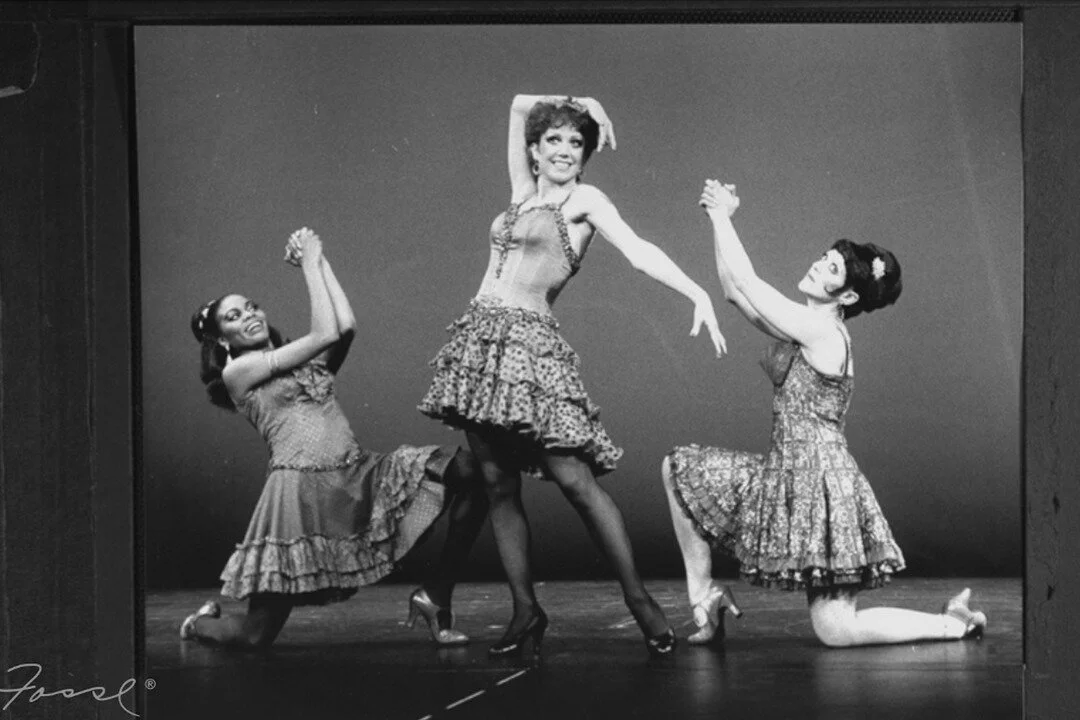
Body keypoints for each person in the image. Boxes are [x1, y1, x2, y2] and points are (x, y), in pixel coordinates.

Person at [418, 94, 726, 658]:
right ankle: (525, 610)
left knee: (576, 481)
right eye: (553, 140)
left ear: (585, 157)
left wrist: (696, 290)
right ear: (535, 152)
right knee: (497, 484)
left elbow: (638, 251)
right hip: (479, 343)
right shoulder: (520, 193)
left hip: (528, 350)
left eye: (576, 142)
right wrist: (586, 104)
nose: (564, 150)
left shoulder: (585, 200)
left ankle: (640, 603)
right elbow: (515, 105)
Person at [660, 179, 988, 647]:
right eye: (824, 256)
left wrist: (721, 214)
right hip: (783, 474)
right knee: (679, 469)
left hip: (819, 484)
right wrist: (718, 222)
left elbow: (750, 282)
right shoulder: (804, 324)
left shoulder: (825, 333)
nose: (818, 264)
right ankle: (705, 596)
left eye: (831, 268)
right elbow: (735, 292)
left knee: (836, 630)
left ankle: (953, 623)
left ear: (848, 296)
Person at [179, 228, 489, 649]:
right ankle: (200, 623)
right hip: (301, 498)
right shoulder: (238, 373)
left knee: (472, 471)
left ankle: (436, 594)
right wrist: (307, 261)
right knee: (255, 636)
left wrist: (320, 259)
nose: (249, 315)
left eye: (251, 307)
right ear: (220, 339)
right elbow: (324, 334)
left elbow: (344, 328)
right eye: (233, 317)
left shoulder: (308, 365)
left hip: (356, 475)